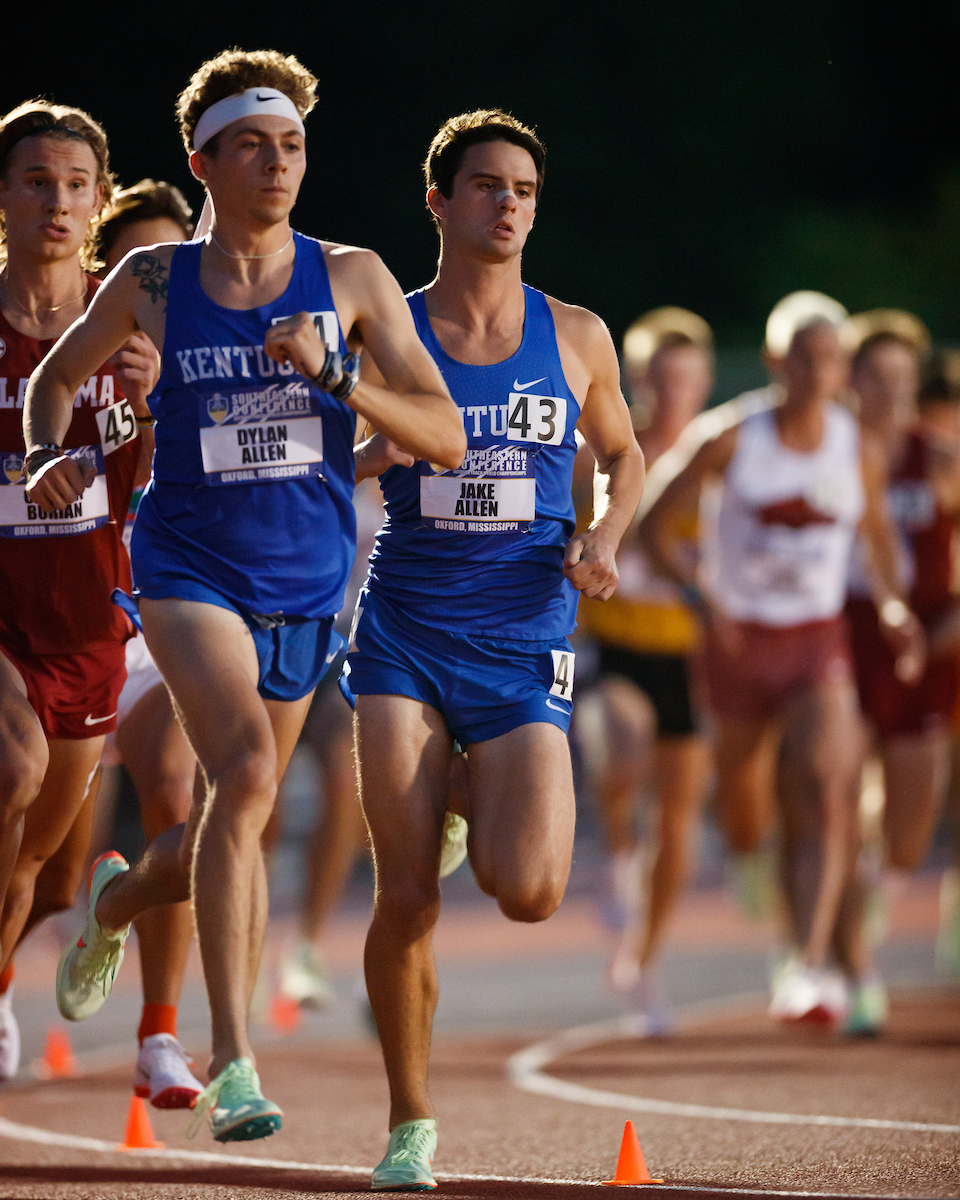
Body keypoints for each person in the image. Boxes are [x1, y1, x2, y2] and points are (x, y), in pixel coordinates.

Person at [24, 48, 464, 1142]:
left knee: (239, 816)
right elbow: (56, 377)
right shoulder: (153, 278)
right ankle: (233, 1060)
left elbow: (444, 433)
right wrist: (48, 452)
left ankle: (118, 904)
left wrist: (341, 377)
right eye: (254, 147)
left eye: (293, 147)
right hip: (184, 566)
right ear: (203, 160)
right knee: (248, 774)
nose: (278, 165)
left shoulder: (352, 277)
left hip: (306, 575)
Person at [348, 110, 645, 1190]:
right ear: (439, 201)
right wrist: (375, 445)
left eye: (522, 187)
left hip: (525, 636)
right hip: (406, 635)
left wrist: (605, 535)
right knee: (409, 891)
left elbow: (622, 453)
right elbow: (326, 459)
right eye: (484, 185)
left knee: (528, 890)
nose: (507, 203)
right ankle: (409, 1124)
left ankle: (471, 785)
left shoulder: (576, 334)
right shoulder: (391, 330)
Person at [638, 298, 924, 1028]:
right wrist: (703, 598)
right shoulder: (731, 435)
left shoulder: (852, 444)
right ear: (774, 362)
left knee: (827, 792)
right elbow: (649, 523)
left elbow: (880, 541)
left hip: (814, 643)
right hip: (737, 651)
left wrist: (892, 609)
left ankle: (809, 963)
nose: (817, 372)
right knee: (747, 815)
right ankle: (760, 875)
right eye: (802, 357)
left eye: (830, 359)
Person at [0, 101, 159, 1080]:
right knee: (9, 776)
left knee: (48, 874)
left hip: (93, 622)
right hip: (4, 619)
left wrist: (153, 405)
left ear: (99, 202)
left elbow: (171, 478)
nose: (56, 201)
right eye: (35, 181)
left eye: (74, 185)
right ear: (4, 197)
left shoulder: (127, 321)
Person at [575, 307, 714, 1031]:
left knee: (682, 815)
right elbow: (566, 539)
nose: (673, 393)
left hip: (688, 651)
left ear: (706, 382)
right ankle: (619, 851)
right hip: (615, 643)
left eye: (687, 379)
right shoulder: (602, 456)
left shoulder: (720, 456)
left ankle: (645, 961)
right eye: (660, 379)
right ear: (637, 381)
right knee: (622, 745)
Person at [844, 312, 960, 1015]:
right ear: (852, 382)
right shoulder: (828, 453)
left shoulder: (940, 462)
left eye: (901, 379)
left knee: (909, 832)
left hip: (928, 649)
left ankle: (869, 904)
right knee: (838, 798)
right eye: (876, 378)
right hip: (845, 643)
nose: (891, 393)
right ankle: (847, 958)